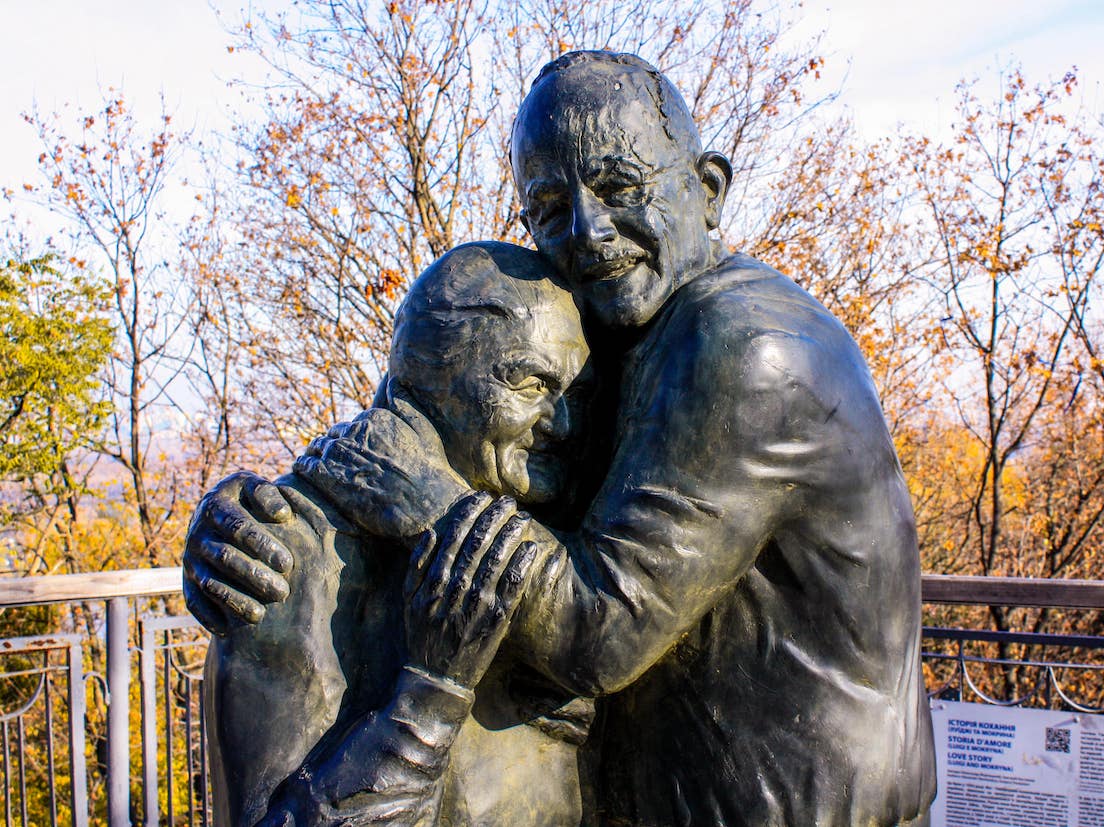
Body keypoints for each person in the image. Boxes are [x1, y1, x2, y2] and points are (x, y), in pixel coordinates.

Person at [187, 51, 937, 826]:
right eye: (548, 204)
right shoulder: (627, 327)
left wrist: (426, 499)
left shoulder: (744, 345)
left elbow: (597, 628)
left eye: (619, 186)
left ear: (707, 190)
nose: (585, 228)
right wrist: (247, 520)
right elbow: (436, 413)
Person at [199, 241, 593, 826]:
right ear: (422, 385)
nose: (564, 424)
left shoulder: (572, 529)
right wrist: (431, 696)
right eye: (530, 384)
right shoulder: (300, 554)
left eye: (576, 395)